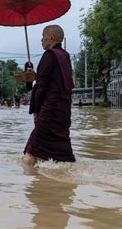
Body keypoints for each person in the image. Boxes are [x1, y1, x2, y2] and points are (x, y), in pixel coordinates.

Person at [23, 25, 75, 166]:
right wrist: (36, 75)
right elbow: (55, 80)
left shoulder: (49, 56)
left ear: (50, 38)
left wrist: (34, 109)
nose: (41, 40)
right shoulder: (65, 56)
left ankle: (31, 183)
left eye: (43, 36)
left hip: (49, 113)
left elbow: (41, 87)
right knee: (62, 157)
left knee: (30, 154)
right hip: (63, 113)